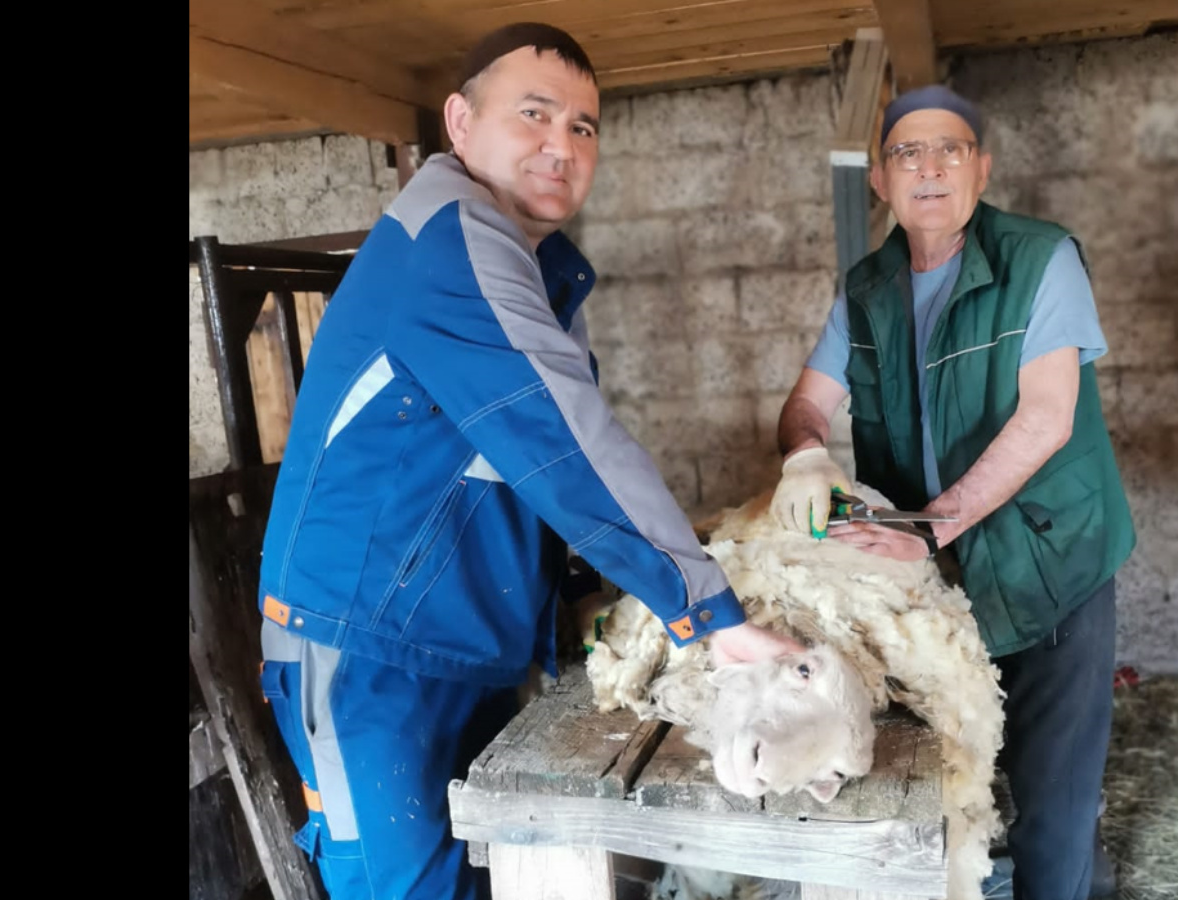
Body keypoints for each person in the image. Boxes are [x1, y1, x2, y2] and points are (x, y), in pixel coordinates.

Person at [254, 22, 804, 900]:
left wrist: (581, 594)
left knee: (503, 876)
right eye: (534, 115)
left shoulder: (529, 265)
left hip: (452, 638)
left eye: (583, 127)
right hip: (366, 652)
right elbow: (565, 443)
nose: (562, 146)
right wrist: (706, 613)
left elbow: (511, 464)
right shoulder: (451, 240)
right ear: (460, 123)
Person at [768, 84, 1136, 900]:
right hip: (938, 580)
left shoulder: (1041, 260)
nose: (929, 168)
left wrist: (931, 527)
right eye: (908, 152)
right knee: (948, 783)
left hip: (1050, 564)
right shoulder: (866, 290)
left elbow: (1046, 418)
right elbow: (806, 403)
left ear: (981, 169)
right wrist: (805, 454)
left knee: (1054, 800)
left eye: (950, 150)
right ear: (880, 180)